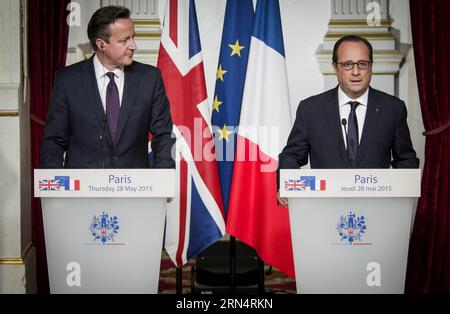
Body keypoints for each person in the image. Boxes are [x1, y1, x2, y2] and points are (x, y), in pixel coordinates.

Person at [277, 35, 419, 207]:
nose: (356, 72)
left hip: (377, 209)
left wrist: (403, 194)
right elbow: (292, 155)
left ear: (371, 67)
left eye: (362, 64)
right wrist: (287, 185)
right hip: (324, 209)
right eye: (347, 65)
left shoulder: (393, 109)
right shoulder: (310, 109)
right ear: (335, 68)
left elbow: (405, 159)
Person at [41, 6, 175, 169]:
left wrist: (162, 182)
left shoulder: (149, 78)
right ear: (101, 44)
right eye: (124, 40)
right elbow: (54, 140)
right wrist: (56, 189)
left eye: (133, 37)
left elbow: (163, 136)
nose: (133, 46)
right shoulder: (68, 80)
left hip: (135, 188)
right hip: (82, 189)